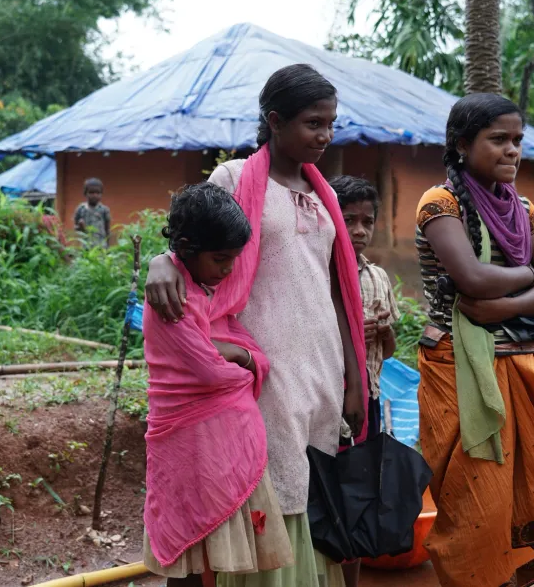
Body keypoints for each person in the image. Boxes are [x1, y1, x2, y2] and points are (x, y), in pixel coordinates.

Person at [145, 64, 369, 587]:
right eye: (314, 123)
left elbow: (338, 290)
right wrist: (160, 260)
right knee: (268, 484)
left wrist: (355, 378)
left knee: (314, 487)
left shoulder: (325, 194)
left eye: (332, 124)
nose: (325, 135)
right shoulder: (235, 178)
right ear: (274, 120)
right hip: (257, 365)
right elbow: (192, 236)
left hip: (321, 364)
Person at [414, 93, 534, 586]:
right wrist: (529, 274)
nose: (512, 150)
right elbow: (472, 279)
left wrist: (506, 304)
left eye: (517, 140)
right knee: (473, 500)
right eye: (498, 140)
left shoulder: (526, 208)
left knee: (521, 501)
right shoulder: (440, 203)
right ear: (461, 144)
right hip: (459, 370)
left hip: (528, 365)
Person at [142, 183, 293, 586]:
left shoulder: (207, 289)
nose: (228, 270)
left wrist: (233, 351)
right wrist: (246, 358)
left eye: (234, 260)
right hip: (190, 443)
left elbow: (221, 352)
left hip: (216, 444)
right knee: (191, 554)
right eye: (221, 259)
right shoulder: (172, 298)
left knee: (207, 556)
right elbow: (211, 373)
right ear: (187, 248)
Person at [329, 175, 400, 587]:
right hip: (328, 399)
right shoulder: (321, 274)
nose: (358, 230)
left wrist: (380, 334)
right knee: (329, 489)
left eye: (366, 221)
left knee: (359, 494)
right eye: (349, 219)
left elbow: (388, 349)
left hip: (367, 399)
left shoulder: (377, 278)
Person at [73, 177, 111, 247]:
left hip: (101, 247)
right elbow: (76, 228)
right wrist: (80, 227)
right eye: (91, 192)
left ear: (101, 194)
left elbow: (107, 229)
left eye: (98, 193)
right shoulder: (81, 209)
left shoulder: (104, 210)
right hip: (86, 247)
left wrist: (108, 246)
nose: (95, 195)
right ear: (85, 193)